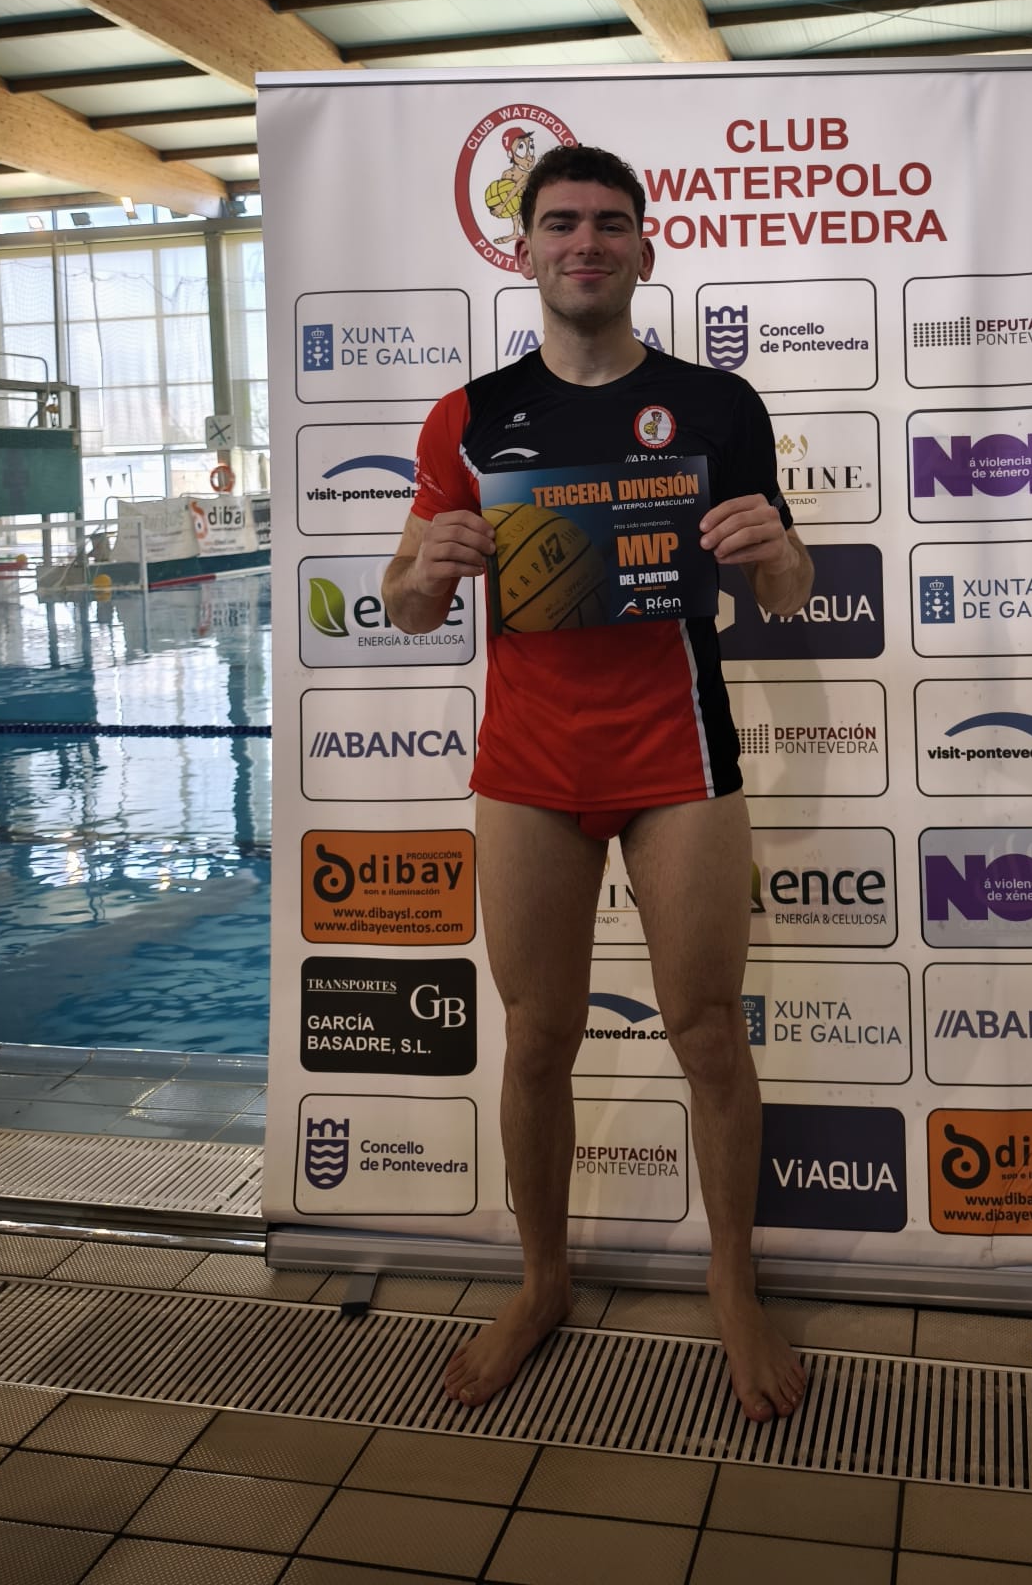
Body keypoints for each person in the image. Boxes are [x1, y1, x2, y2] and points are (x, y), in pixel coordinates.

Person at [383, 144, 814, 1422]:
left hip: (680, 756)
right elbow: (405, 606)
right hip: (528, 765)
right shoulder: (467, 417)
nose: (586, 242)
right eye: (561, 222)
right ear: (522, 249)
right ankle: (543, 1279)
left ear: (644, 247)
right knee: (537, 1038)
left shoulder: (717, 404)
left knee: (709, 1031)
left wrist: (775, 551)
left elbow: (788, 594)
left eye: (611, 222)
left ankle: (731, 1280)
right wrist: (427, 568)